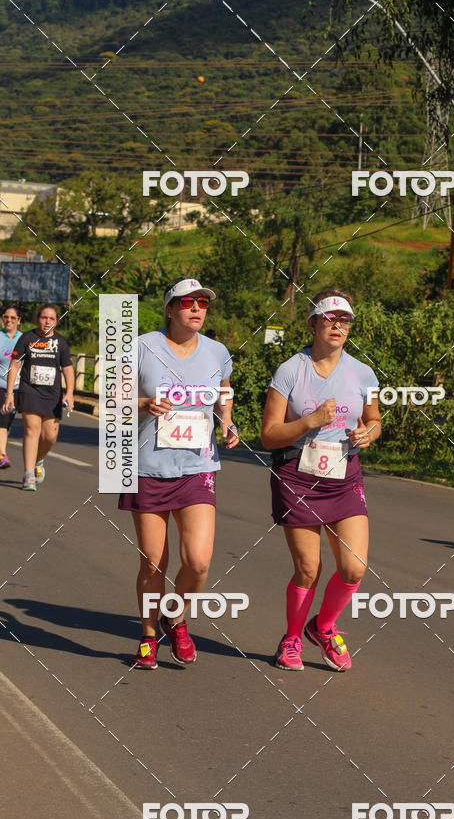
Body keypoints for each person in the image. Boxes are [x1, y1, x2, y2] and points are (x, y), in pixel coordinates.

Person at [119, 277, 239, 670]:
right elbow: (113, 398)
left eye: (203, 302)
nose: (197, 308)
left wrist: (227, 422)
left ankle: (177, 616)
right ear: (170, 309)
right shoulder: (141, 346)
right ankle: (149, 635)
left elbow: (224, 391)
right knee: (154, 562)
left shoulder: (218, 352)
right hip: (149, 467)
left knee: (199, 561)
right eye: (187, 302)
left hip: (197, 467)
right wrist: (143, 402)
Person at [261, 287, 381, 672]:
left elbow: (374, 419)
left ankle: (323, 627)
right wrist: (309, 422)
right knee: (309, 568)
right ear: (313, 323)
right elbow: (268, 435)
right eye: (330, 318)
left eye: (345, 319)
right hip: (297, 476)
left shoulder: (363, 373)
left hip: (344, 475)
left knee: (355, 567)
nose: (337, 325)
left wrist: (369, 433)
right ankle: (291, 638)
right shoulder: (290, 370)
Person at [3, 303, 74, 491]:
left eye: (51, 319)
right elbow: (15, 365)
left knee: (50, 436)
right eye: (44, 318)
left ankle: (39, 461)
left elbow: (67, 369)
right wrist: (10, 394)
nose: (47, 322)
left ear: (56, 321)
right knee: (32, 429)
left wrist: (69, 393)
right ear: (38, 319)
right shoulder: (27, 338)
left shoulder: (61, 342)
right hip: (29, 391)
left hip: (53, 394)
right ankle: (28, 475)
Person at [0, 305, 22, 469]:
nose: (9, 320)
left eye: (13, 318)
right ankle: (2, 454)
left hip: (18, 388)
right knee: (3, 418)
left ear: (19, 321)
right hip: (1, 385)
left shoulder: (24, 338)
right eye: (6, 317)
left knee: (7, 423)